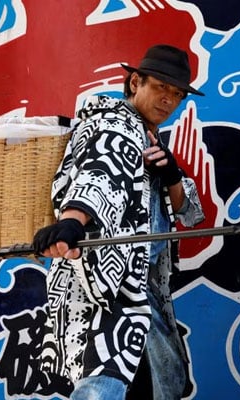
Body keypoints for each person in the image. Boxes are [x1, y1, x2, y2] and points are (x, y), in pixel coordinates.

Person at [31, 44, 205, 400]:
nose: (168, 101)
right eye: (160, 88)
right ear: (135, 82)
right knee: (103, 387)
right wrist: (73, 221)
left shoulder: (150, 136)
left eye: (177, 94)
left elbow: (190, 212)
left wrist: (171, 175)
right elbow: (99, 174)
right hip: (107, 287)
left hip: (143, 289)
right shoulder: (113, 124)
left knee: (148, 386)